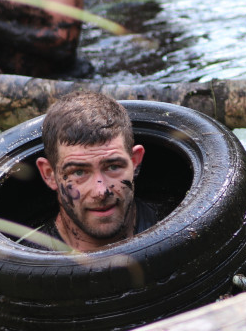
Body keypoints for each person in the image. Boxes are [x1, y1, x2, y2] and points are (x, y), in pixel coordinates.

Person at [34, 91, 159, 251]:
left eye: (113, 167)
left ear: (134, 161)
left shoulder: (173, 222)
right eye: (79, 172)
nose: (101, 192)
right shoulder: (23, 260)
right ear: (49, 175)